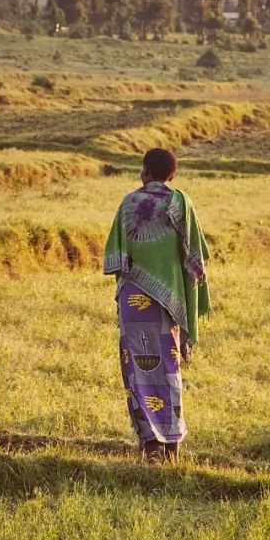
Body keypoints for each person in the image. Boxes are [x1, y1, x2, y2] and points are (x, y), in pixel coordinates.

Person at [103, 146, 210, 463]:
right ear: (172, 175)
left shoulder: (128, 202)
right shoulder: (181, 202)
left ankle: (151, 445)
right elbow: (195, 261)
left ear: (145, 171)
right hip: (170, 301)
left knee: (137, 368)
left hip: (134, 301)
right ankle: (172, 443)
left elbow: (117, 258)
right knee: (168, 367)